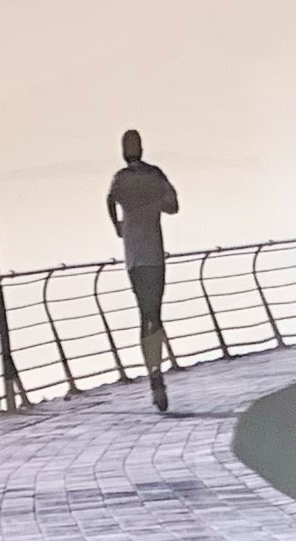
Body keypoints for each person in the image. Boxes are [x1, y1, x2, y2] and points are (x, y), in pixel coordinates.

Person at [106, 128, 184, 412]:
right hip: (154, 254)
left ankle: (154, 374)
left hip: (134, 257)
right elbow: (173, 206)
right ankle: (156, 373)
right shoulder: (154, 174)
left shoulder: (121, 178)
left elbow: (110, 200)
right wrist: (154, 204)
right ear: (141, 148)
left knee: (145, 314)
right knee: (155, 313)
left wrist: (118, 225)